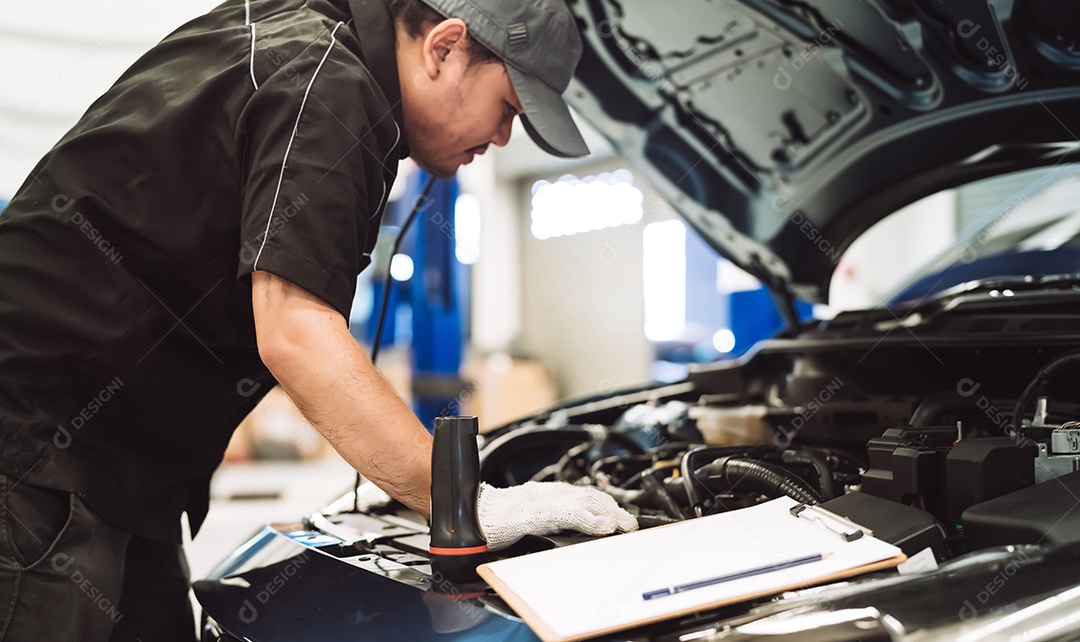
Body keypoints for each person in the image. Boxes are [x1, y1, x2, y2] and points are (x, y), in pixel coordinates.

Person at [0, 0, 637, 639]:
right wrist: (462, 502)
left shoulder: (309, 50)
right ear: (443, 48)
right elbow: (296, 335)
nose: (503, 138)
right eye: (509, 110)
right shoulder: (324, 81)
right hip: (35, 453)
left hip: (119, 471)